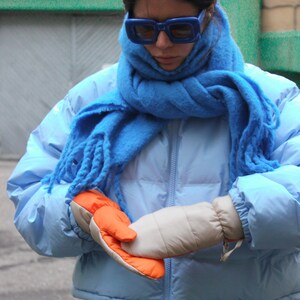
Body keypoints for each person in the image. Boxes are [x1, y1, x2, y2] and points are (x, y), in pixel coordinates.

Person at [6, 0, 300, 299]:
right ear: (126, 17)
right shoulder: (91, 99)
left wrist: (226, 219)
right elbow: (31, 192)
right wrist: (82, 214)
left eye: (180, 28)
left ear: (208, 13)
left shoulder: (271, 98)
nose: (161, 44)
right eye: (143, 29)